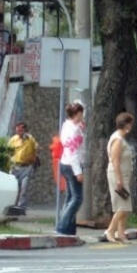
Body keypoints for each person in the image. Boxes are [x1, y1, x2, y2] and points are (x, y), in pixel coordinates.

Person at [55, 101, 85, 236]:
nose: (82, 116)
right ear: (77, 114)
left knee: (70, 197)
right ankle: (62, 226)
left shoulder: (68, 125)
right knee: (77, 198)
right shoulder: (72, 130)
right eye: (81, 114)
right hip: (72, 165)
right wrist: (78, 171)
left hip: (65, 163)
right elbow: (73, 152)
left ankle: (69, 228)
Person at [105, 111, 135, 243]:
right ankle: (111, 230)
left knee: (125, 206)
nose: (132, 126)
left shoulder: (121, 138)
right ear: (126, 125)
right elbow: (115, 160)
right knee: (122, 206)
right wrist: (119, 180)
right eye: (130, 123)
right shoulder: (117, 139)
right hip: (117, 175)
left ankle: (121, 233)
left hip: (124, 176)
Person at [6, 121, 39, 212]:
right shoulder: (13, 140)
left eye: (21, 130)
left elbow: (36, 149)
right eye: (17, 130)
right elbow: (8, 152)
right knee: (14, 188)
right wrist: (10, 165)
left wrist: (33, 160)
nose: (19, 132)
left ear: (25, 130)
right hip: (15, 167)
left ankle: (21, 208)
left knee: (24, 189)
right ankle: (12, 206)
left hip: (26, 167)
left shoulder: (30, 139)